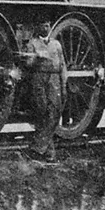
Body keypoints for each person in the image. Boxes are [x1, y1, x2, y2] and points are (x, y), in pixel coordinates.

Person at [19, 19, 68, 161]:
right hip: (39, 78)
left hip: (54, 78)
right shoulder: (32, 44)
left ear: (50, 27)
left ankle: (38, 148)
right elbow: (27, 64)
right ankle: (48, 152)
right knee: (42, 110)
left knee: (54, 112)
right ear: (38, 28)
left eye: (47, 25)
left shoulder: (56, 44)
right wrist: (36, 57)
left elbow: (62, 63)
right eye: (42, 26)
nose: (45, 28)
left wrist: (64, 82)